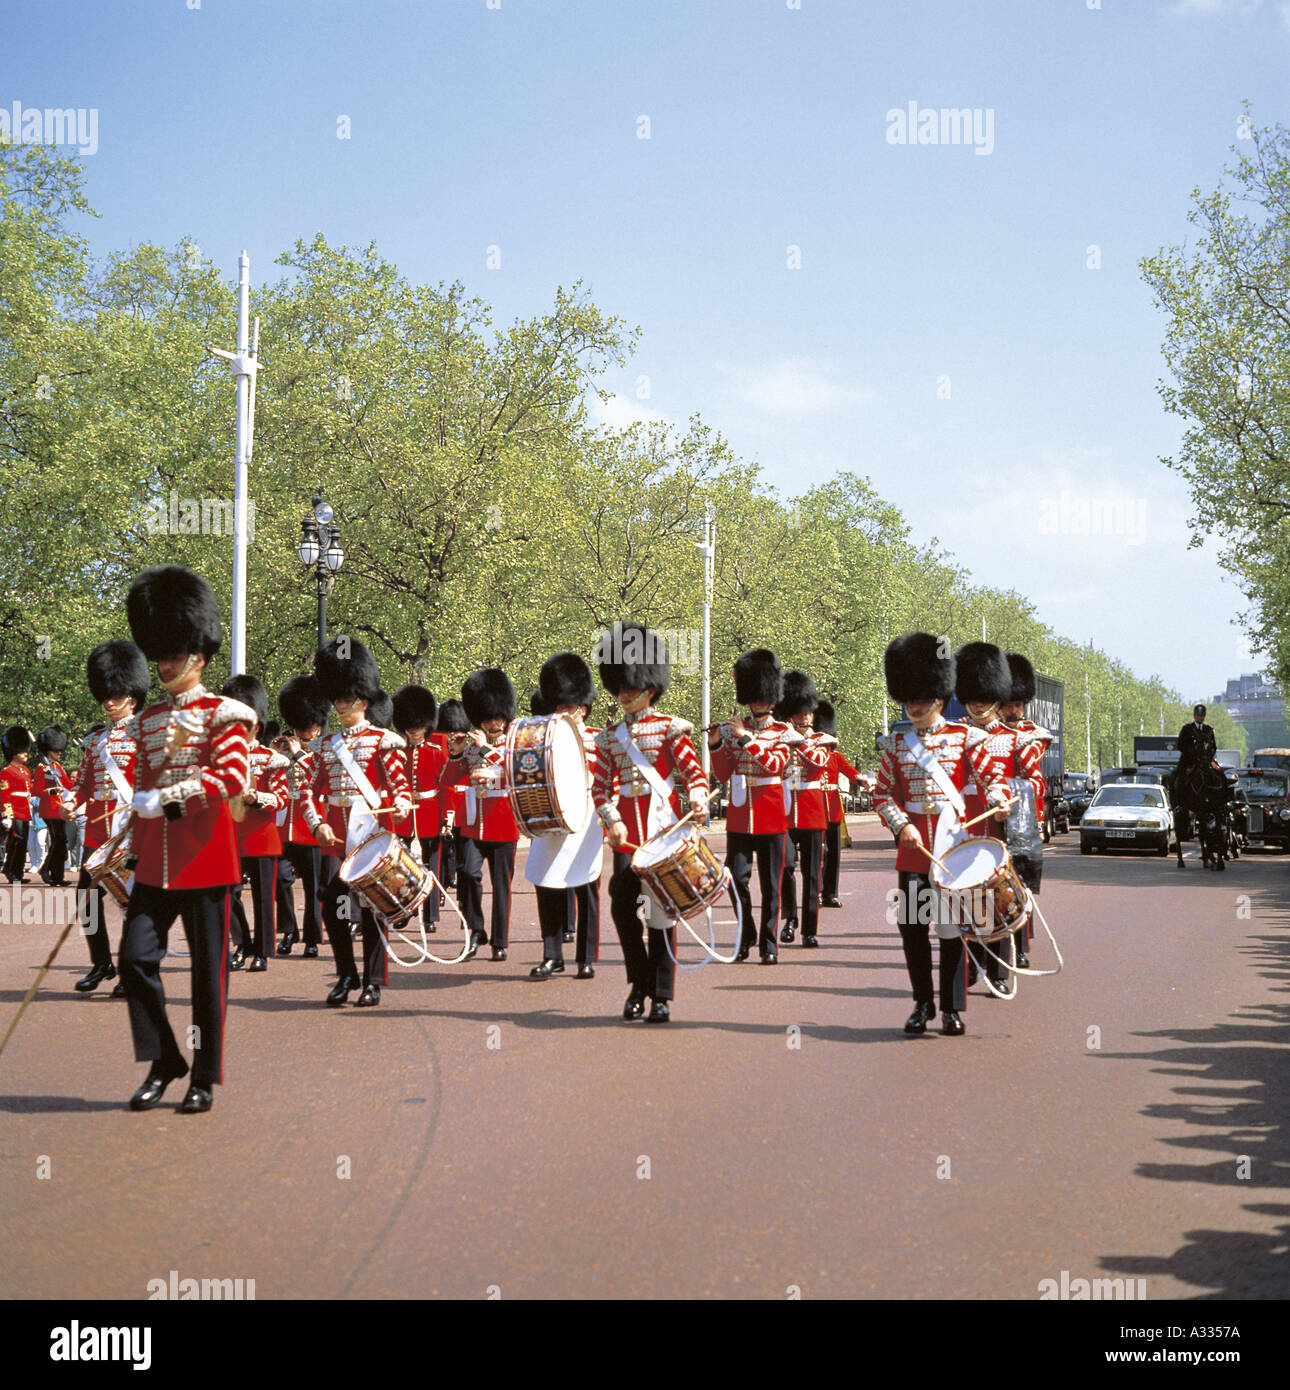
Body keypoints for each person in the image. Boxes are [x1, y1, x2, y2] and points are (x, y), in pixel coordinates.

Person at [118, 566, 254, 1114]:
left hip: (207, 862)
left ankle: (203, 1075)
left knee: (206, 979)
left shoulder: (226, 714)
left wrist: (169, 801)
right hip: (155, 864)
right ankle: (164, 1058)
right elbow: (144, 791)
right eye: (160, 653)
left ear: (197, 653)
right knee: (134, 961)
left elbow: (231, 779)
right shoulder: (147, 721)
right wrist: (129, 839)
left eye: (173, 653)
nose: (164, 663)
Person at [873, 633, 1009, 1037]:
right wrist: (903, 825)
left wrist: (1001, 798)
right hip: (914, 855)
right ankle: (922, 1003)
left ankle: (950, 1007)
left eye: (920, 697)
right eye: (908, 698)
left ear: (937, 695)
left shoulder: (966, 737)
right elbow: (882, 794)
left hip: (953, 853)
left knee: (950, 931)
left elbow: (991, 778)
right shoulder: (898, 744)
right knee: (913, 930)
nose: (913, 705)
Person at [593, 619, 709, 1024]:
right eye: (620, 685)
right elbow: (600, 789)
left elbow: (695, 776)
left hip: (662, 832)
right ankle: (639, 982)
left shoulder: (671, 729)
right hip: (628, 838)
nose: (624, 693)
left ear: (650, 686)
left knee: (660, 914)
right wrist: (612, 822)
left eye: (631, 685)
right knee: (623, 906)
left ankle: (660, 994)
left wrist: (697, 802)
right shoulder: (608, 737)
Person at [304, 637, 413, 1008]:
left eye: (346, 698)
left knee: (372, 907)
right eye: (336, 698)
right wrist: (317, 823)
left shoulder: (384, 741)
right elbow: (306, 792)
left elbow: (401, 787)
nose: (339, 704)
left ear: (362, 701)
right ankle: (346, 973)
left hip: (371, 834)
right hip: (336, 836)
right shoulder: (325, 746)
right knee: (332, 901)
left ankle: (373, 980)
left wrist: (400, 805)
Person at [954, 642, 1042, 989]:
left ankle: (999, 971)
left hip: (1000, 829)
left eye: (984, 694)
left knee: (998, 901)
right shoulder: (953, 736)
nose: (977, 702)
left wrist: (1009, 798)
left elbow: (1034, 781)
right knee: (966, 901)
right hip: (963, 829)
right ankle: (970, 965)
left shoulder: (1013, 739)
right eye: (972, 694)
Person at [71, 641, 148, 995]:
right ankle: (101, 962)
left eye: (115, 694)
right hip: (97, 833)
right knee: (85, 900)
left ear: (131, 697)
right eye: (106, 694)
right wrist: (71, 802)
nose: (108, 701)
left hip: (130, 832)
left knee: (131, 903)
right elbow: (85, 785)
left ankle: (132, 969)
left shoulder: (145, 737)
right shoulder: (94, 742)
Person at [708, 648, 793, 964]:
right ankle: (746, 935)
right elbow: (723, 773)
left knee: (772, 885)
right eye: (753, 696)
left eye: (762, 696)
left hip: (771, 817)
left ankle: (768, 943)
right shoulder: (733, 728)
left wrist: (745, 739)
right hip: (741, 816)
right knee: (735, 877)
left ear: (771, 697)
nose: (757, 702)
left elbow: (773, 765)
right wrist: (717, 743)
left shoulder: (784, 732)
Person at [529, 652, 604, 980]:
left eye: (565, 707)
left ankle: (585, 957)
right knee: (547, 883)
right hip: (549, 816)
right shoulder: (541, 735)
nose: (559, 712)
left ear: (581, 708)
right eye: (557, 706)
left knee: (585, 887)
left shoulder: (600, 737)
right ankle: (552, 954)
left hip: (585, 819)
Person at [440, 669, 519, 961]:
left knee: (501, 885)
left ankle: (500, 941)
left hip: (504, 821)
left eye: (497, 717)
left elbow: (514, 772)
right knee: (469, 875)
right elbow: (450, 782)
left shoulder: (515, 742)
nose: (493, 722)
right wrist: (457, 754)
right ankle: (476, 930)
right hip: (473, 823)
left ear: (504, 716)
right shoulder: (471, 746)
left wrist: (486, 749)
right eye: (487, 718)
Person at [222, 675, 288, 973]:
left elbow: (282, 797)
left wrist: (258, 797)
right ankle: (241, 944)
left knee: (263, 897)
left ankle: (262, 950)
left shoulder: (270, 758)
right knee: (228, 895)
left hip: (261, 835)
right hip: (228, 836)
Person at [1000, 652, 1052, 967]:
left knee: (1022, 886)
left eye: (1019, 704)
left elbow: (1035, 780)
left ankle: (1020, 946)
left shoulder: (1033, 736)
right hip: (995, 817)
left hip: (1023, 819)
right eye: (1009, 704)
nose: (1015, 710)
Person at [776, 671, 834, 948]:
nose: (805, 717)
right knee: (785, 865)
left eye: (808, 712)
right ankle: (790, 918)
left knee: (812, 875)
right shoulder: (778, 736)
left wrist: (796, 742)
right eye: (799, 712)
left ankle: (809, 929)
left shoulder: (823, 739)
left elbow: (816, 764)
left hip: (811, 813)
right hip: (784, 812)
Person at [273, 675, 329, 958]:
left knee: (314, 887)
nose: (303, 731)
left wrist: (298, 755)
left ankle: (312, 937)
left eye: (308, 726)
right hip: (284, 826)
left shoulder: (323, 750)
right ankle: (288, 930)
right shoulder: (284, 747)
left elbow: (319, 777)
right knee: (280, 879)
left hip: (311, 824)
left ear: (318, 728)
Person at [391, 684, 446, 936]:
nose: (413, 730)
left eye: (417, 725)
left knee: (430, 863)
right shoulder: (398, 751)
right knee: (402, 865)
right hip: (404, 812)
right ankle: (404, 909)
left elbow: (444, 786)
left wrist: (446, 817)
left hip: (429, 809)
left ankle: (431, 914)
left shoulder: (436, 750)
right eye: (410, 725)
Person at [814, 700, 862, 909]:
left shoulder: (836, 757)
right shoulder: (810, 756)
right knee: (818, 852)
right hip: (814, 808)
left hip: (832, 809)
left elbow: (851, 771)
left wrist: (862, 780)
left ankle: (829, 893)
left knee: (833, 853)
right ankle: (814, 891)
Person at [436, 699, 469, 899]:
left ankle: (461, 890)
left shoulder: (472, 754)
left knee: (461, 854)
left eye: (458, 738)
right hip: (445, 805)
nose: (454, 742)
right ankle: (441, 889)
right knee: (442, 850)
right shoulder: (441, 753)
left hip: (464, 808)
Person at [33, 727, 74, 886]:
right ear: (49, 749)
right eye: (56, 750)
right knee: (58, 840)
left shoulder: (58, 767)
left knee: (61, 843)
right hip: (49, 809)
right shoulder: (41, 768)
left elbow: (68, 784)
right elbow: (36, 790)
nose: (59, 752)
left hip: (60, 809)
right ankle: (45, 868)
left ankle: (57, 877)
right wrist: (51, 791)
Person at [1, 726, 33, 884]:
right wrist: (7, 815)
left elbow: (31, 791)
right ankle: (10, 870)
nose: (26, 753)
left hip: (25, 810)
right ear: (14, 752)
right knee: (17, 840)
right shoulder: (7, 771)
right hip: (15, 812)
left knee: (22, 843)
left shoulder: (26, 771)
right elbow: (4, 794)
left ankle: (17, 873)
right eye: (22, 750)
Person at [1178, 704, 1217, 773]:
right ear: (1194, 716)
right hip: (1189, 762)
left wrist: (1209, 759)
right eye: (1198, 715)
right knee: (1176, 776)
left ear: (1204, 716)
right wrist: (1191, 760)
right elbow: (1180, 746)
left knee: (1219, 772)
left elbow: (1213, 747)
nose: (1199, 717)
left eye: (1202, 715)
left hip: (1205, 761)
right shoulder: (1186, 729)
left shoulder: (1209, 730)